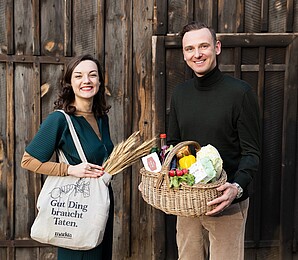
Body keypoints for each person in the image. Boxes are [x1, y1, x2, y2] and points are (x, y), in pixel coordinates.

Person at [167, 21, 261, 260]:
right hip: (188, 202)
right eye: (190, 49)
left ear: (216, 47)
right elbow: (175, 145)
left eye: (203, 46)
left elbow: (252, 152)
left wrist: (236, 188)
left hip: (226, 202)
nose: (197, 54)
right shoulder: (180, 94)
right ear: (184, 54)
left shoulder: (240, 93)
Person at [21, 54, 114, 260]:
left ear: (99, 81)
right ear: (70, 83)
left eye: (92, 75)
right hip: (78, 205)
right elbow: (28, 160)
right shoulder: (60, 119)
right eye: (78, 76)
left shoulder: (101, 118)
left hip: (100, 200)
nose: (86, 81)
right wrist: (69, 169)